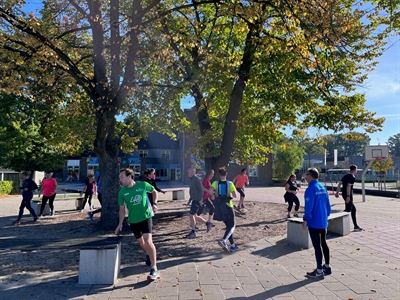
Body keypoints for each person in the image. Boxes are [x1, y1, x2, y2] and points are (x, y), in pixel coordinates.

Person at [114, 168, 160, 281]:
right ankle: (149, 254)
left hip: (146, 217)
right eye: (120, 177)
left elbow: (154, 191)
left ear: (129, 176)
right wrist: (120, 223)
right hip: (133, 221)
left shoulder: (143, 185)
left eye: (122, 177)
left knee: (148, 241)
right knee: (141, 244)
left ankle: (154, 268)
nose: (120, 180)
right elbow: (121, 209)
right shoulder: (122, 192)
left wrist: (154, 203)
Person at [302, 168, 331, 279]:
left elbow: (309, 207)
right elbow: (328, 206)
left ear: (311, 176)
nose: (305, 177)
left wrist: (305, 220)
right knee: (324, 243)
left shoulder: (310, 189)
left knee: (317, 246)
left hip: (314, 222)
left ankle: (319, 270)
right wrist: (326, 215)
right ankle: (327, 267)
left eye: (307, 175)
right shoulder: (323, 188)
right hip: (323, 221)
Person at [212, 166, 238, 252]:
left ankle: (233, 245)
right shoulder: (230, 184)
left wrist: (213, 196)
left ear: (219, 174)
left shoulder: (215, 183)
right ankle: (224, 240)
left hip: (219, 208)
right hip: (228, 207)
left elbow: (209, 191)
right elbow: (235, 195)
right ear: (226, 174)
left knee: (228, 227)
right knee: (232, 225)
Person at [335, 165, 363, 232]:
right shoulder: (352, 177)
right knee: (348, 210)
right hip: (348, 194)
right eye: (356, 170)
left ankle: (355, 225)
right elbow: (348, 187)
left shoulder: (345, 176)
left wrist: (337, 192)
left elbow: (339, 184)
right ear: (354, 170)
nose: (356, 171)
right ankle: (341, 225)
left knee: (352, 209)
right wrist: (348, 196)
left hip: (344, 194)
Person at [186, 167, 212, 239]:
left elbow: (201, 190)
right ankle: (208, 223)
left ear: (192, 173)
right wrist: (190, 200)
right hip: (194, 199)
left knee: (191, 215)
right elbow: (193, 191)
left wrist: (200, 199)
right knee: (194, 216)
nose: (187, 173)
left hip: (197, 200)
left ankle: (193, 232)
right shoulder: (192, 179)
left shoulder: (196, 179)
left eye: (188, 172)